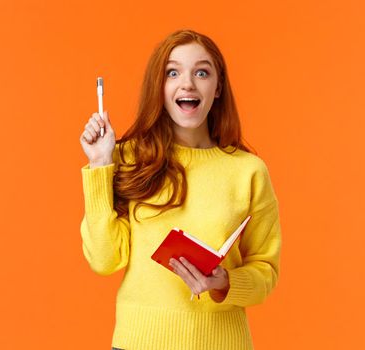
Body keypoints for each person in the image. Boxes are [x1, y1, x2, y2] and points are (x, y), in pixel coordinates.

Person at [79, 29, 282, 350]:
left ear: (217, 88)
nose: (188, 83)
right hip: (138, 343)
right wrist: (100, 163)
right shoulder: (128, 158)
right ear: (159, 88)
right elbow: (104, 260)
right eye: (173, 72)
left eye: (202, 72)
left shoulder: (249, 171)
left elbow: (266, 270)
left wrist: (225, 282)